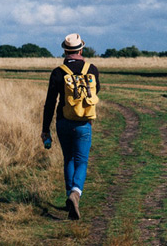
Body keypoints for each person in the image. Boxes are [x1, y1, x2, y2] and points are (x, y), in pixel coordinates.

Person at [41, 33, 101, 220]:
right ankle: (76, 193)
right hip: (84, 122)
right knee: (81, 160)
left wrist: (45, 129)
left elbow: (50, 102)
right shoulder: (92, 69)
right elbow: (95, 92)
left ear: (65, 51)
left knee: (68, 159)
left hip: (63, 121)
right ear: (81, 49)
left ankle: (70, 196)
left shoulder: (58, 72)